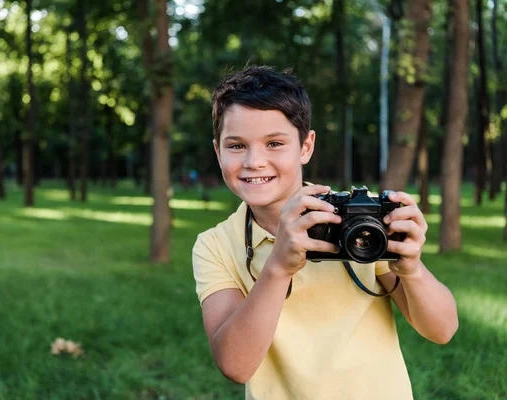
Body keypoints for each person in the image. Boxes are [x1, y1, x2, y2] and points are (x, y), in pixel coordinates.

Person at [192, 66, 458, 400]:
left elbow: (442, 330)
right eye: (236, 146)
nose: (254, 161)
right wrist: (279, 266)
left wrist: (411, 268)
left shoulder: (355, 220)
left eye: (274, 143)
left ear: (306, 146)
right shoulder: (215, 245)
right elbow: (235, 365)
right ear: (217, 151)